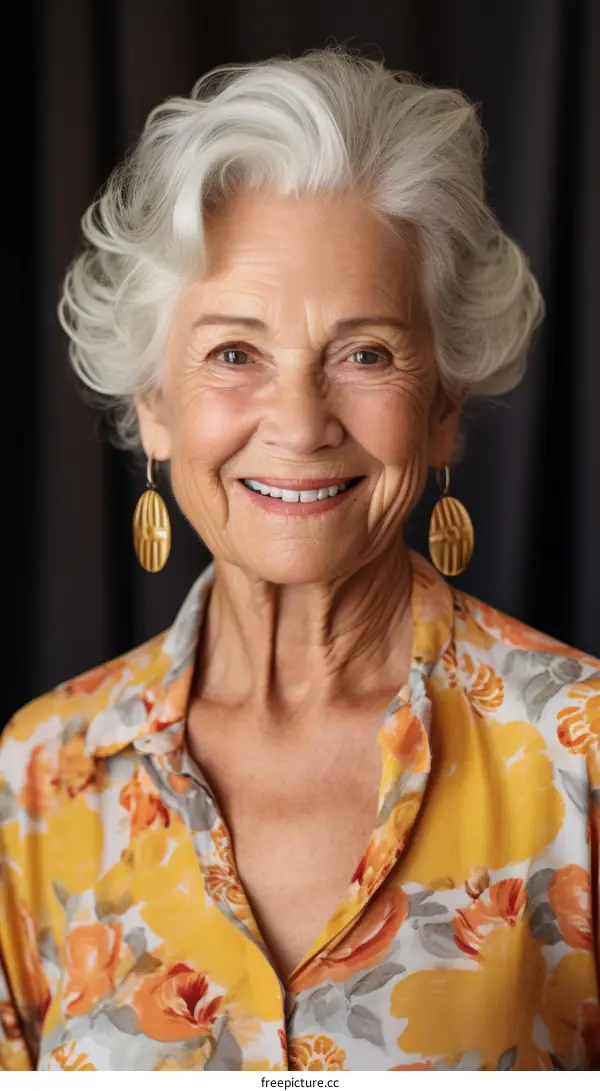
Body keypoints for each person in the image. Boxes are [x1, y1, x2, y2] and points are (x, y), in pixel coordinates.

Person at [1, 47, 598, 1073]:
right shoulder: (41, 777)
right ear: (153, 401)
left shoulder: (581, 759)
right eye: (235, 353)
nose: (299, 420)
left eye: (364, 353)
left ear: (446, 404)